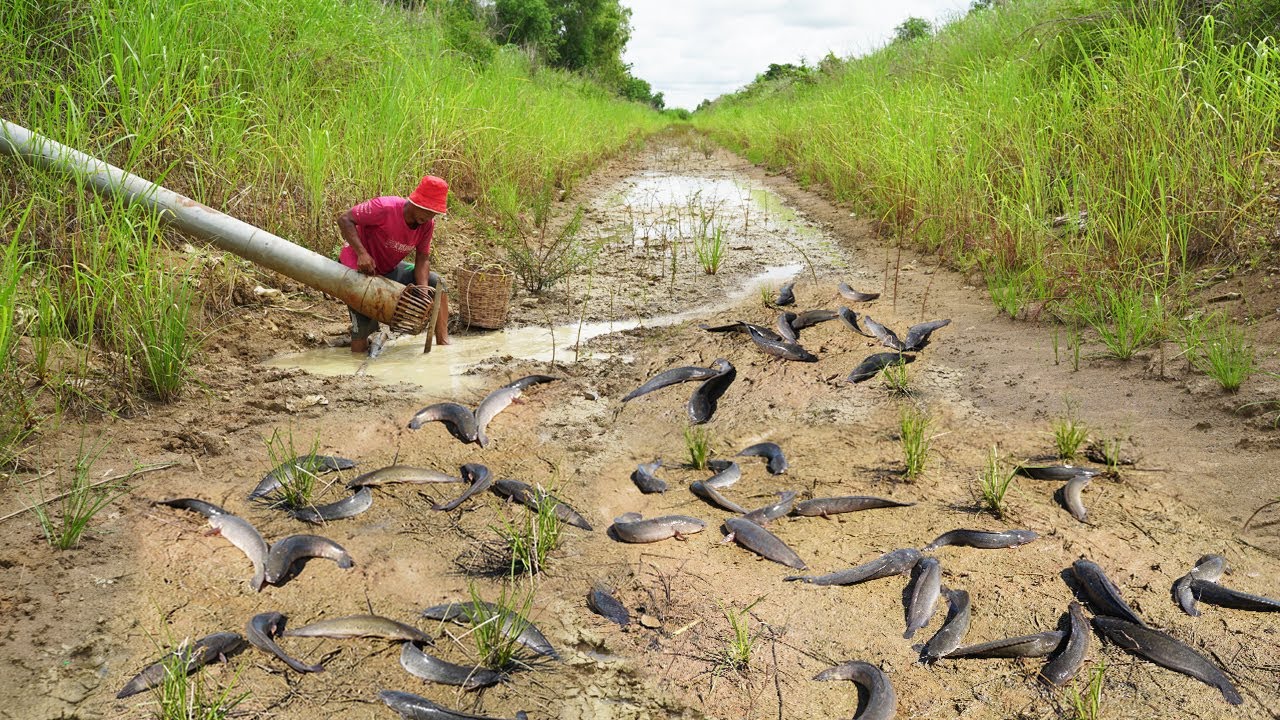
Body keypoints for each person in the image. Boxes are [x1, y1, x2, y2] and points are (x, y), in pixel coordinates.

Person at [336, 175, 451, 352]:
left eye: (433, 213)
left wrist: (423, 291)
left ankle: (444, 345)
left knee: (437, 284)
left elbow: (422, 259)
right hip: (358, 268)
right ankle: (357, 360)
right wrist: (362, 254)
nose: (429, 216)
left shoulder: (427, 224)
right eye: (426, 210)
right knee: (364, 329)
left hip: (386, 268)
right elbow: (345, 219)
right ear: (415, 202)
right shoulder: (385, 207)